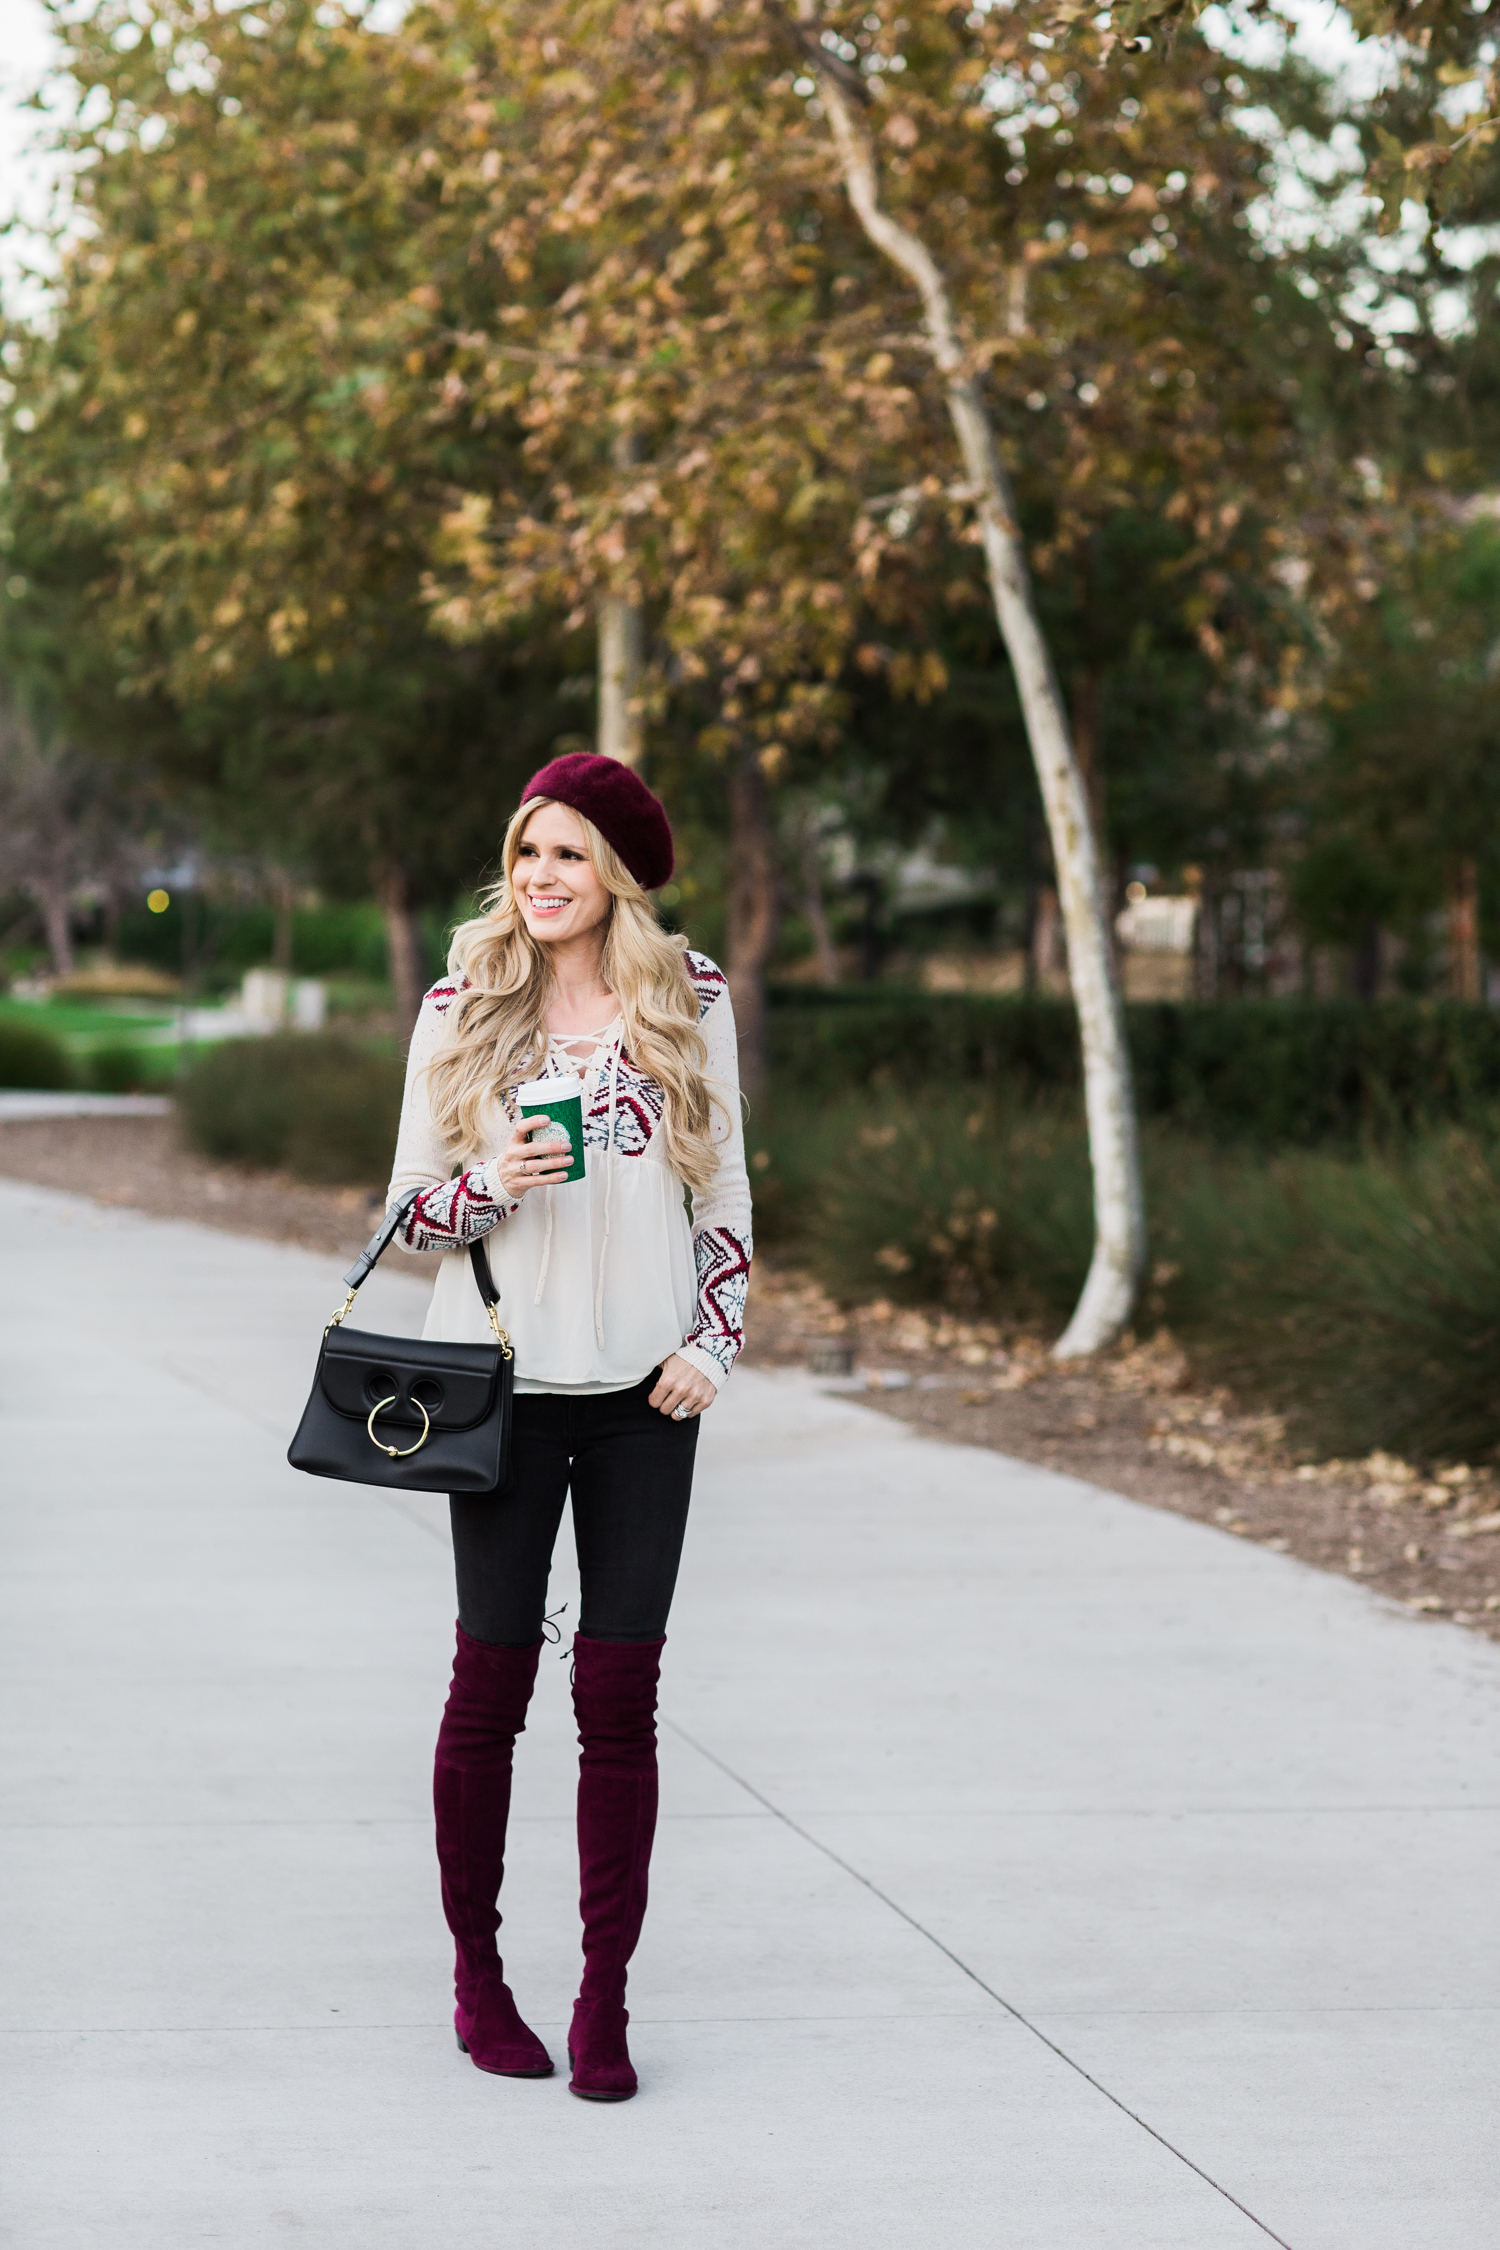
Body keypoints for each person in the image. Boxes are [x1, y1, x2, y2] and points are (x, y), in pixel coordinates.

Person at [386, 752, 752, 2102]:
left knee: (620, 1699)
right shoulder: (462, 1006)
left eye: (569, 856)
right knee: (491, 1689)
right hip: (502, 1395)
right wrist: (491, 1179)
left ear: (619, 878)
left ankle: (604, 1999)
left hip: (646, 1400)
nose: (540, 878)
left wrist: (713, 1343)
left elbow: (728, 1196)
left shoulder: (688, 1000)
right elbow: (407, 1213)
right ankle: (480, 1977)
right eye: (528, 851)